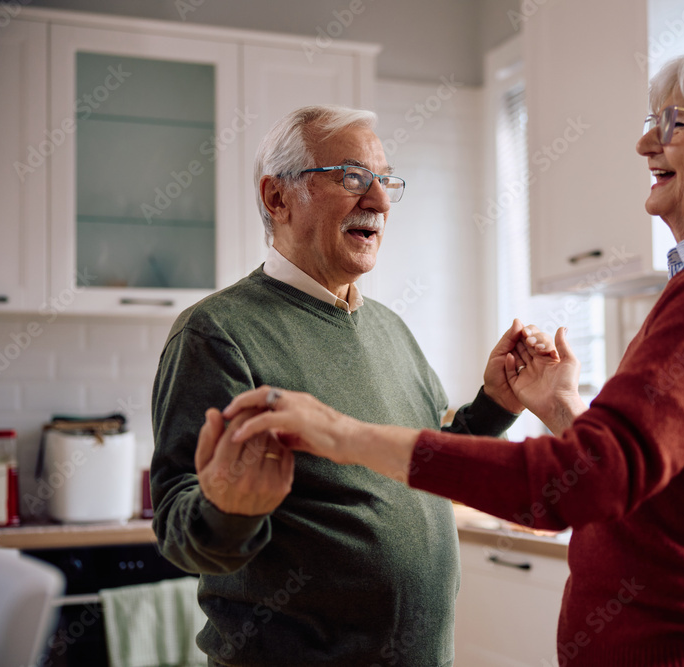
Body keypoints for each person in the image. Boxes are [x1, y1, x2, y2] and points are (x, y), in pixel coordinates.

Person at [220, 43, 684, 666]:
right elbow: (645, 487)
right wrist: (565, 410)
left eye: (675, 125)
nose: (647, 145)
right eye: (653, 123)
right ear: (277, 198)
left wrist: (337, 433)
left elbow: (581, 483)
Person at [150, 105, 556, 667]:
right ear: (277, 198)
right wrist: (229, 511)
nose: (381, 202)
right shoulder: (216, 332)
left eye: (386, 180)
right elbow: (177, 527)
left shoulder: (391, 327)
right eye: (352, 177)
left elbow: (419, 462)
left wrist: (493, 406)